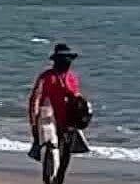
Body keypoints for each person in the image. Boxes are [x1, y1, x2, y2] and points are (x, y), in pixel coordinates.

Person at [28, 43, 84, 184]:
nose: (67, 61)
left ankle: (59, 180)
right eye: (64, 58)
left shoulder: (71, 78)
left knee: (65, 155)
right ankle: (49, 180)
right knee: (51, 151)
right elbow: (35, 99)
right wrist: (34, 122)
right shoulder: (46, 77)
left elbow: (76, 97)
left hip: (68, 122)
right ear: (56, 60)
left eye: (68, 58)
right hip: (49, 121)